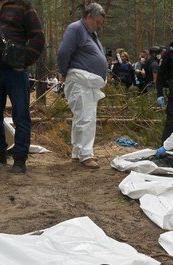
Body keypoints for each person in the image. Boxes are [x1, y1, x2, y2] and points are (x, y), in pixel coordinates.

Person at [0, 0, 45, 174]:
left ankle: (20, 160)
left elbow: (38, 36)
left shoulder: (23, 6)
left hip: (15, 72)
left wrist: (25, 61)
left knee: (20, 114)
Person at [57, 2, 107, 169]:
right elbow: (64, 52)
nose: (99, 26)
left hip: (88, 83)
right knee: (85, 118)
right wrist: (63, 71)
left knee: (84, 117)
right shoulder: (76, 29)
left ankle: (78, 152)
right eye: (97, 22)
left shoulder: (90, 33)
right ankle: (85, 154)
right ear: (88, 17)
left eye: (101, 23)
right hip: (79, 81)